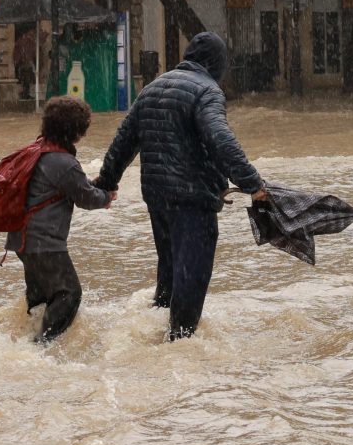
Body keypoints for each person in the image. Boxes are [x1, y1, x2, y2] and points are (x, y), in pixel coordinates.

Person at [95, 32, 268, 341]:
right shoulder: (206, 90)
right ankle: (179, 346)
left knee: (171, 271)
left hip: (158, 198)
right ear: (216, 64)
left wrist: (107, 183)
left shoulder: (152, 88)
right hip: (192, 202)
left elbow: (124, 140)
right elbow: (220, 139)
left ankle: (151, 340)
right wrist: (253, 183)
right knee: (191, 278)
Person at [10, 96, 112, 343]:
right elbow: (86, 198)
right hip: (45, 244)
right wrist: (106, 197)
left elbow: (69, 186)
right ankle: (41, 346)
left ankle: (24, 341)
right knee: (69, 293)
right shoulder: (64, 163)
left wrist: (92, 186)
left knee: (41, 299)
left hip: (21, 241)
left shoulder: (37, 151)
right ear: (75, 131)